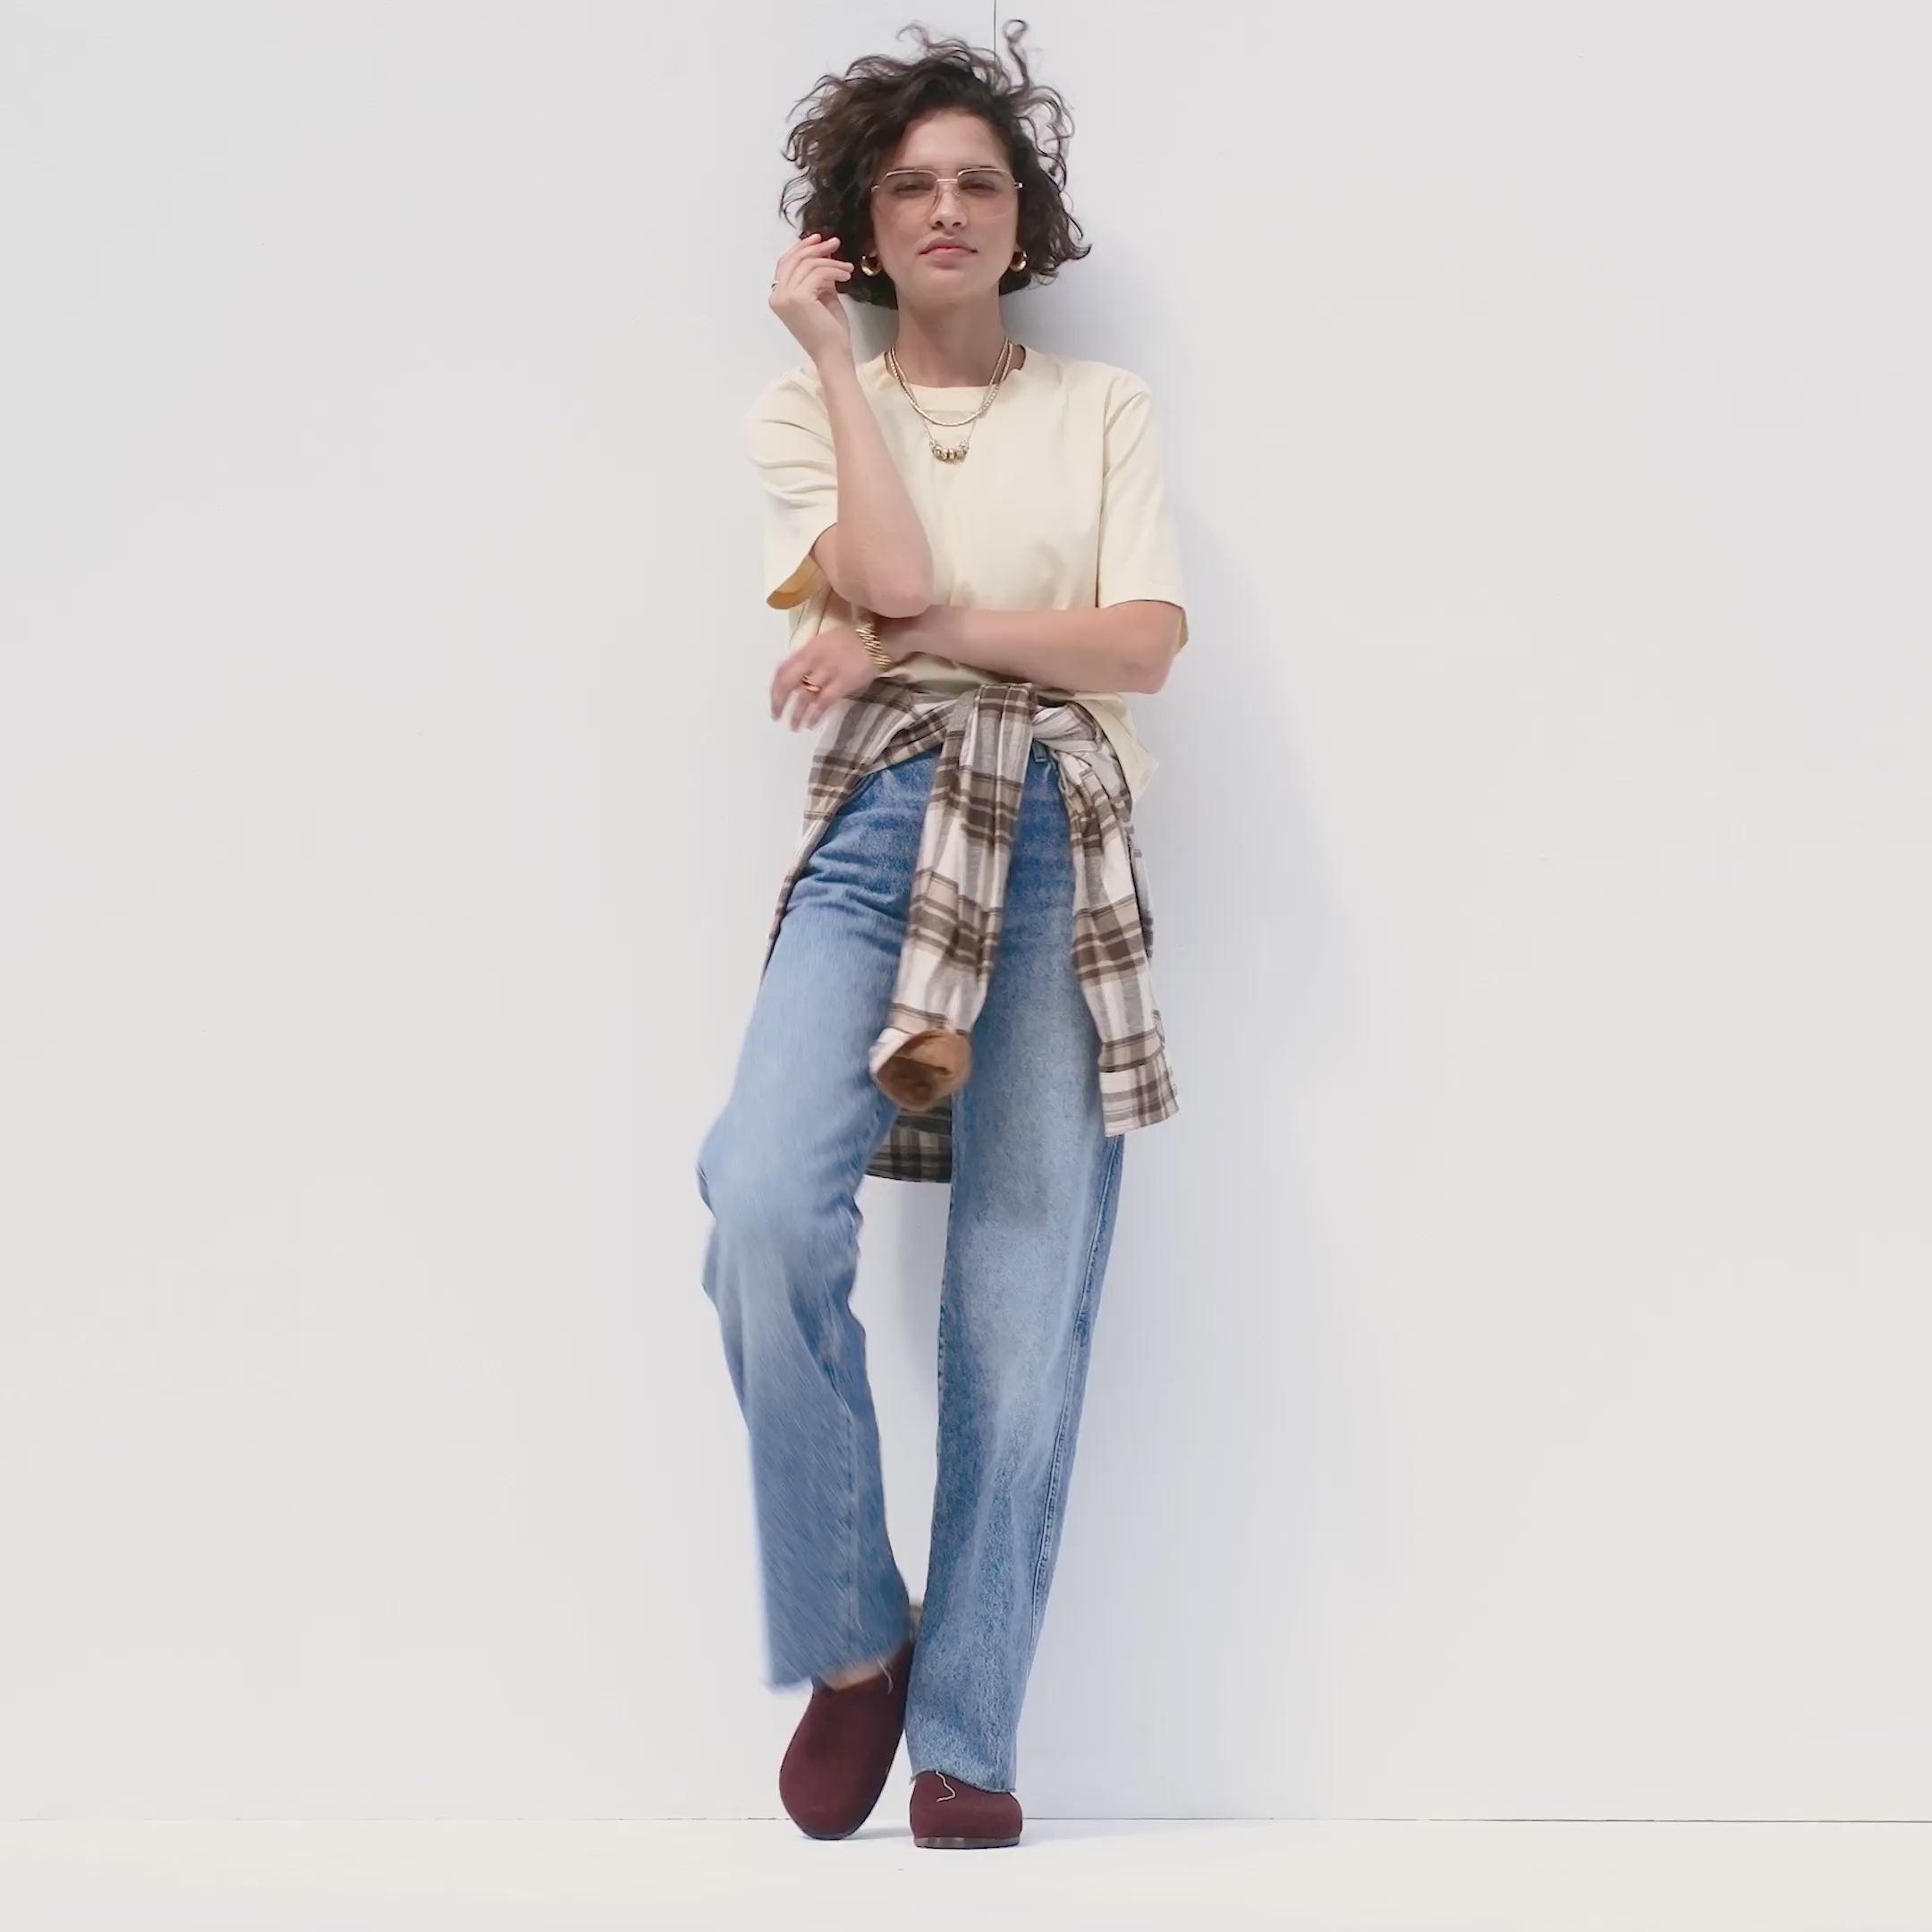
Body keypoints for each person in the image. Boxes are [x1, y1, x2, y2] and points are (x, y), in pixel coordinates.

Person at [697, 22, 1188, 1852]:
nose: (950, 208)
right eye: (911, 186)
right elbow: (888, 570)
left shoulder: (1104, 408)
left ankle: (969, 1735)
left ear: (1024, 218)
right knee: (761, 1200)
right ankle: (855, 1640)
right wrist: (836, 362)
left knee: (1019, 1297)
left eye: (982, 180)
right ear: (862, 225)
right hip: (885, 821)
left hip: (1059, 828)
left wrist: (912, 642)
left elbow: (1141, 646)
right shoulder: (803, 410)